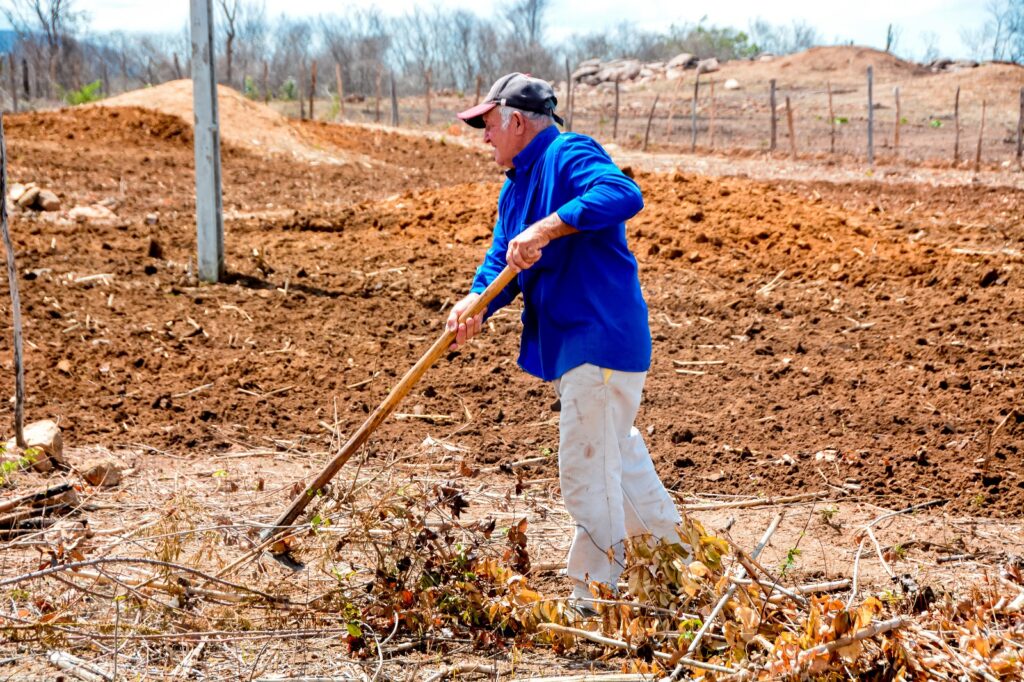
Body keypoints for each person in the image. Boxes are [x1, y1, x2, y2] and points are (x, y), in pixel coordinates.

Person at [447, 72, 682, 612]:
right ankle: (680, 570)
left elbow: (622, 193)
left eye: (487, 125)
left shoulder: (568, 153)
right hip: (585, 348)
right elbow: (502, 259)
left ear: (516, 120)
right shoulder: (515, 187)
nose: (483, 137)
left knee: (585, 470)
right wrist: (474, 302)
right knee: (617, 466)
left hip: (598, 339)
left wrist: (548, 227)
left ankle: (591, 602)